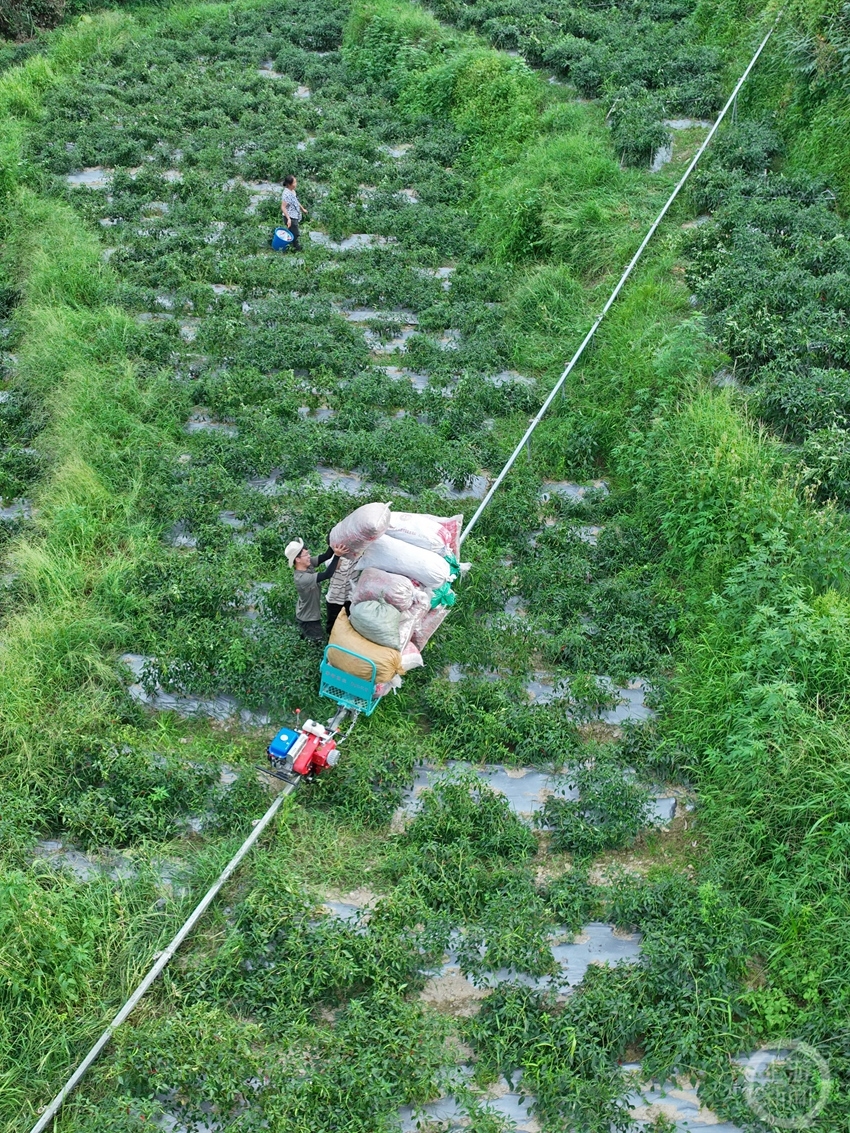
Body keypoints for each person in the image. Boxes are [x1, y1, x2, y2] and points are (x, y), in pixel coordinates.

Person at [285, 538, 345, 642]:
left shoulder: (307, 564)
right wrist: (338, 556)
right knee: (317, 643)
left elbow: (326, 556)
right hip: (308, 620)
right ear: (298, 559)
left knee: (308, 641)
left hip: (305, 613)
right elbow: (327, 574)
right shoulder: (302, 579)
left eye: (308, 553)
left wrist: (333, 540)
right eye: (306, 555)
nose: (309, 556)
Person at [325, 553, 356, 636]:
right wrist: (339, 555)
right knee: (333, 624)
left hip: (350, 596)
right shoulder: (333, 558)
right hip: (335, 598)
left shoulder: (358, 555)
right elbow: (331, 567)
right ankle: (331, 642)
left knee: (349, 623)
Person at [281, 174, 307, 252]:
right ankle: (297, 250)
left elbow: (296, 201)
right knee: (295, 234)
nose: (296, 184)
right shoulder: (286, 194)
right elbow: (283, 207)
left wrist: (302, 209)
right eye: (294, 182)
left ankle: (291, 248)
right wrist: (288, 219)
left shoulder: (292, 191)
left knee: (292, 233)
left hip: (294, 216)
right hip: (290, 217)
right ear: (289, 184)